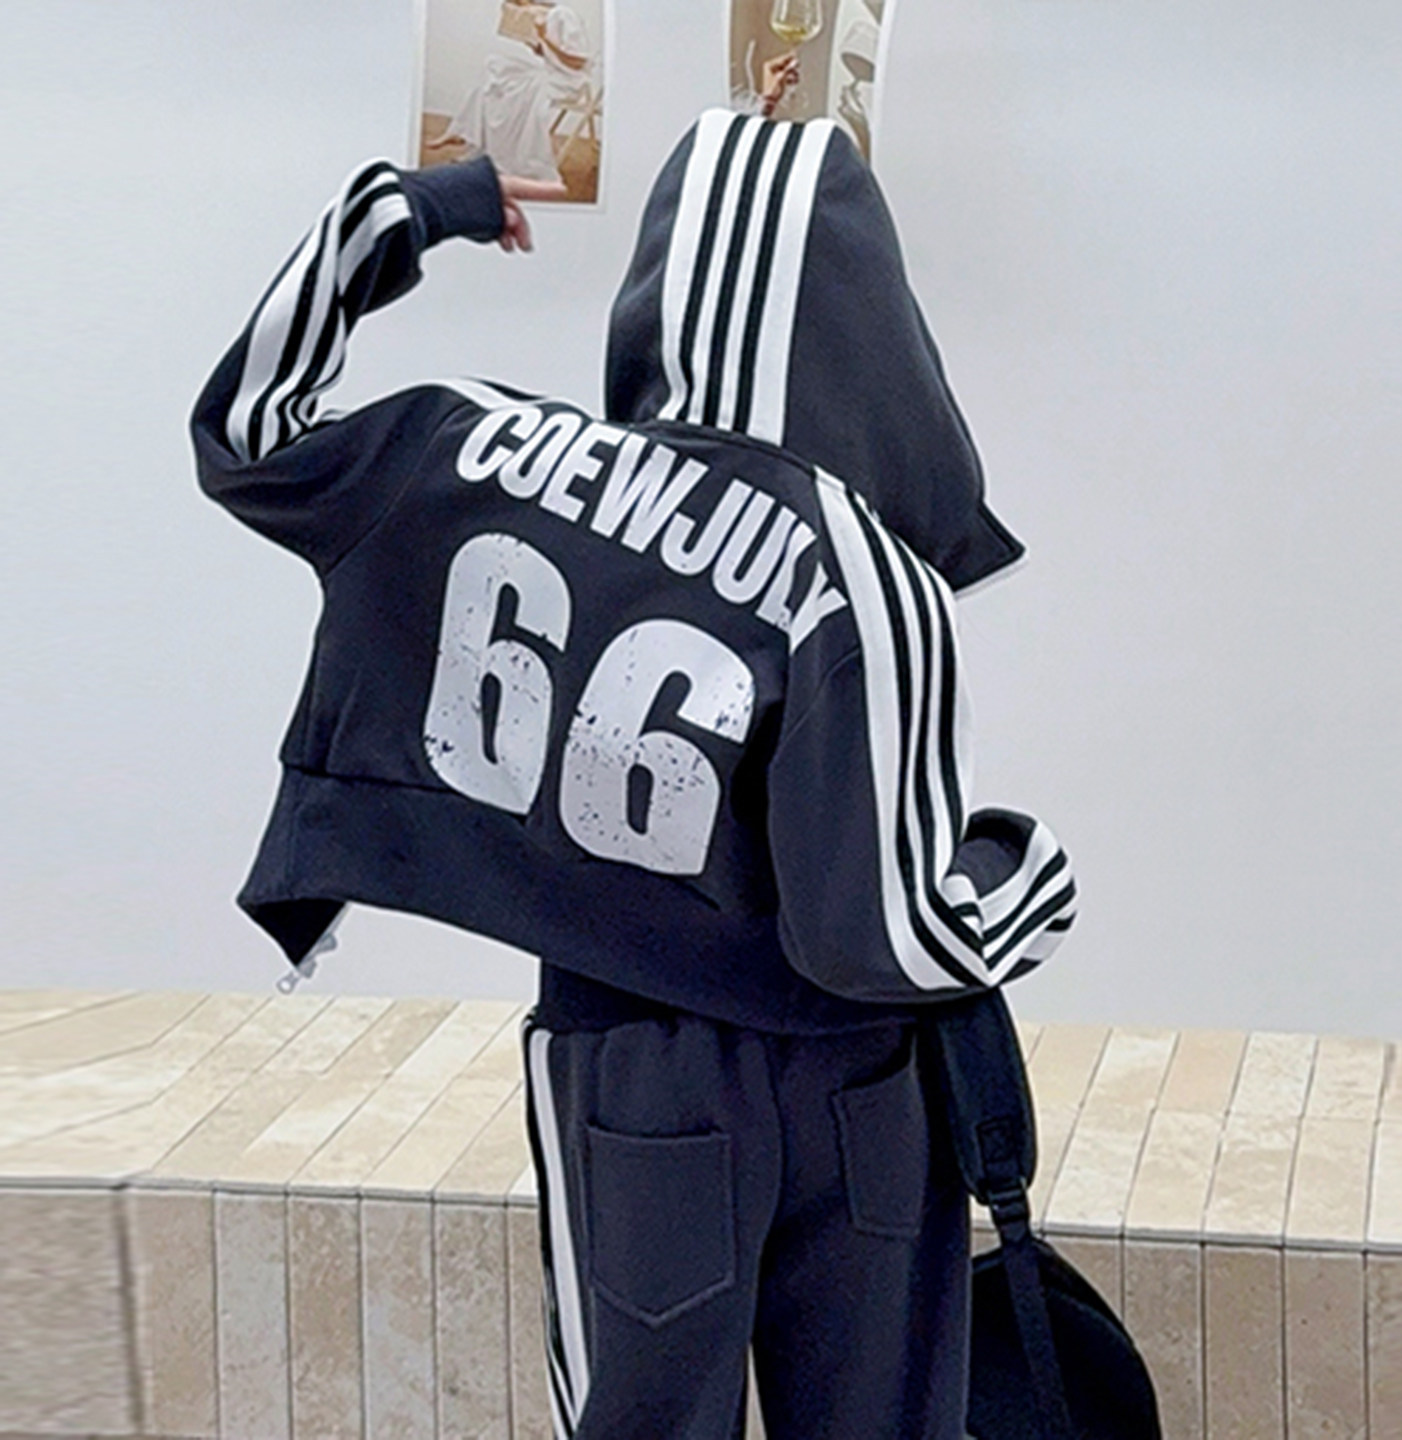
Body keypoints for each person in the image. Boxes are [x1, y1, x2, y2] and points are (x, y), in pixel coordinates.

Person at [193, 109, 1075, 1438]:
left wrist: (417, 208)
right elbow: (888, 938)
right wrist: (1024, 873)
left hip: (630, 1075)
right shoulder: (869, 574)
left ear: (655, 282)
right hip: (864, 1091)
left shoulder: (478, 457)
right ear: (876, 318)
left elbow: (246, 431)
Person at [435, 0, 594, 183]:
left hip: (567, 82)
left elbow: (578, 62)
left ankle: (477, 144)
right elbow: (550, 57)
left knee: (510, 91)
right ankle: (466, 135)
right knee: (494, 67)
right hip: (551, 73)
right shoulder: (545, 17)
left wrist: (544, 37)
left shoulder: (563, 15)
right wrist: (535, 44)